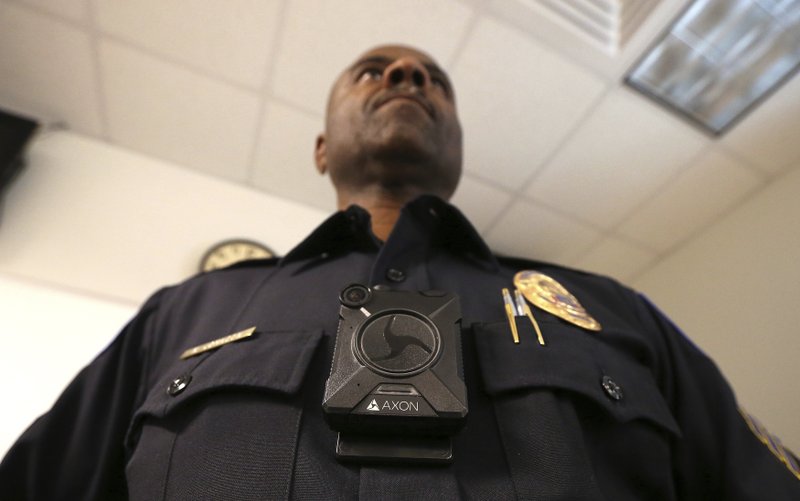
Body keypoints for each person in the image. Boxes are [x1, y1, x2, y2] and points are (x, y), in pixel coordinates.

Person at [1, 44, 798, 500]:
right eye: (373, 70)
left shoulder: (614, 310)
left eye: (432, 79)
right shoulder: (184, 312)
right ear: (320, 149)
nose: (408, 79)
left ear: (458, 150)